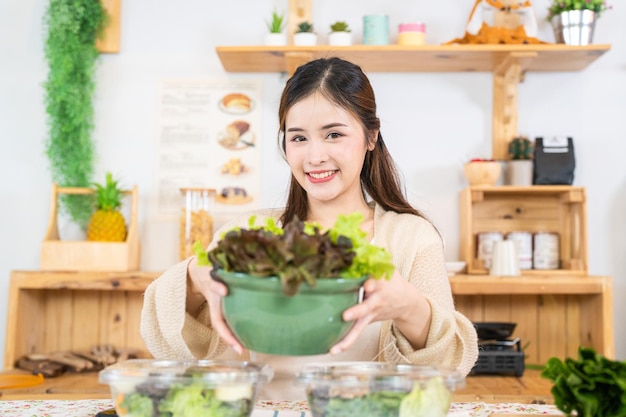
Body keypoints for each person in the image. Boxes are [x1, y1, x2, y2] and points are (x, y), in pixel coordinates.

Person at [141, 57, 478, 400]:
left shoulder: (411, 238)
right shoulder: (247, 234)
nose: (314, 156)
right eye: (298, 138)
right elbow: (169, 348)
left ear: (371, 136)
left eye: (334, 134)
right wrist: (192, 281)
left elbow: (448, 369)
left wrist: (410, 308)